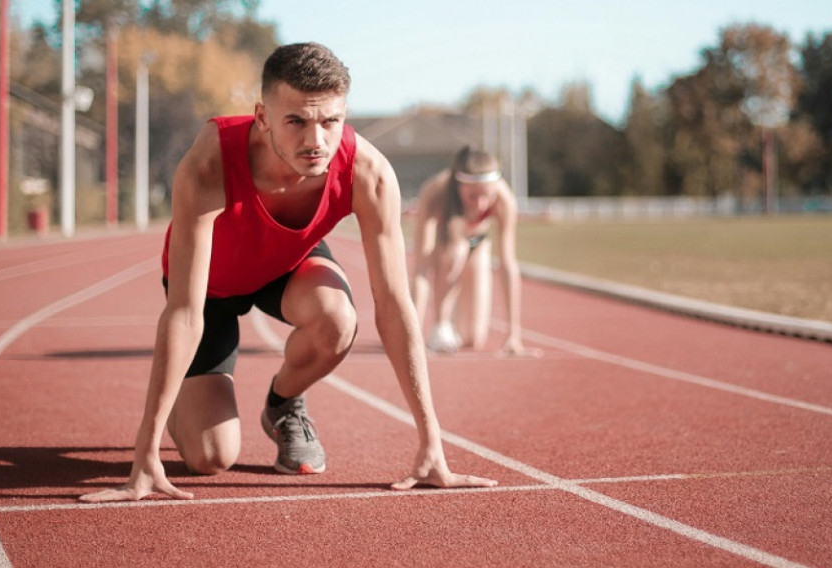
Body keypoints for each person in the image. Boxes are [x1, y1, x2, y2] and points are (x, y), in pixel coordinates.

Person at [81, 42, 495, 503]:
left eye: (330, 121)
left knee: (339, 319)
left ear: (344, 115)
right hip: (211, 288)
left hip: (286, 267)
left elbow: (395, 306)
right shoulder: (209, 162)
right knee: (211, 458)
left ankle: (283, 404)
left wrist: (431, 444)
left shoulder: (369, 173)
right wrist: (145, 453)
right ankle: (182, 396)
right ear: (263, 117)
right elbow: (184, 311)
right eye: (296, 121)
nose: (315, 140)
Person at [410, 146, 536, 357]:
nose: (481, 204)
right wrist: (411, 337)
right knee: (456, 251)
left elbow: (508, 265)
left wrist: (513, 334)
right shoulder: (435, 192)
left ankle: (458, 318)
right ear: (458, 188)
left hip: (479, 244)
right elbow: (421, 267)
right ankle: (441, 324)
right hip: (446, 246)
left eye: (487, 196)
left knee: (473, 339)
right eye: (472, 196)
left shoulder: (504, 199)